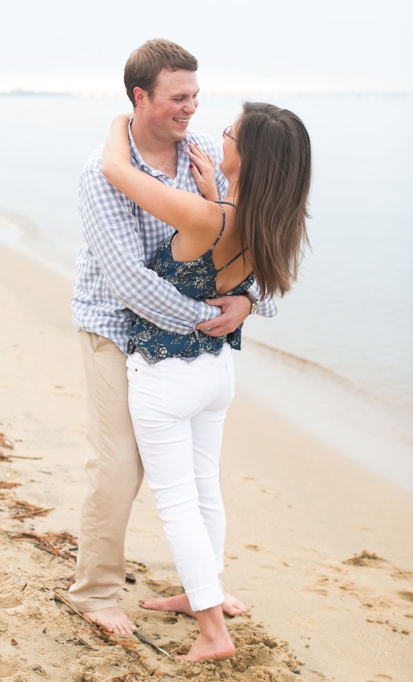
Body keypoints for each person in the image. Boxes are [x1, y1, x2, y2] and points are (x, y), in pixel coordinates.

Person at [68, 39, 275, 636]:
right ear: (141, 97)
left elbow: (251, 242)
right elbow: (129, 280)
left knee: (200, 472)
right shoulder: (101, 173)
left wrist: (247, 302)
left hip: (183, 338)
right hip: (114, 326)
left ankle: (201, 586)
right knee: (117, 465)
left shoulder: (206, 152)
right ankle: (96, 592)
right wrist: (203, 319)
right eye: (178, 98)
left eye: (196, 97)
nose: (191, 109)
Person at [100, 102, 311, 660]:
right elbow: (235, 253)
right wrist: (214, 187)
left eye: (230, 133)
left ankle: (214, 631)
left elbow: (116, 171)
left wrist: (119, 122)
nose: (219, 135)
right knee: (205, 488)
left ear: (249, 155)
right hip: (217, 371)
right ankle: (203, 595)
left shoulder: (209, 217)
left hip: (167, 376)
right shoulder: (267, 220)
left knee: (177, 504)